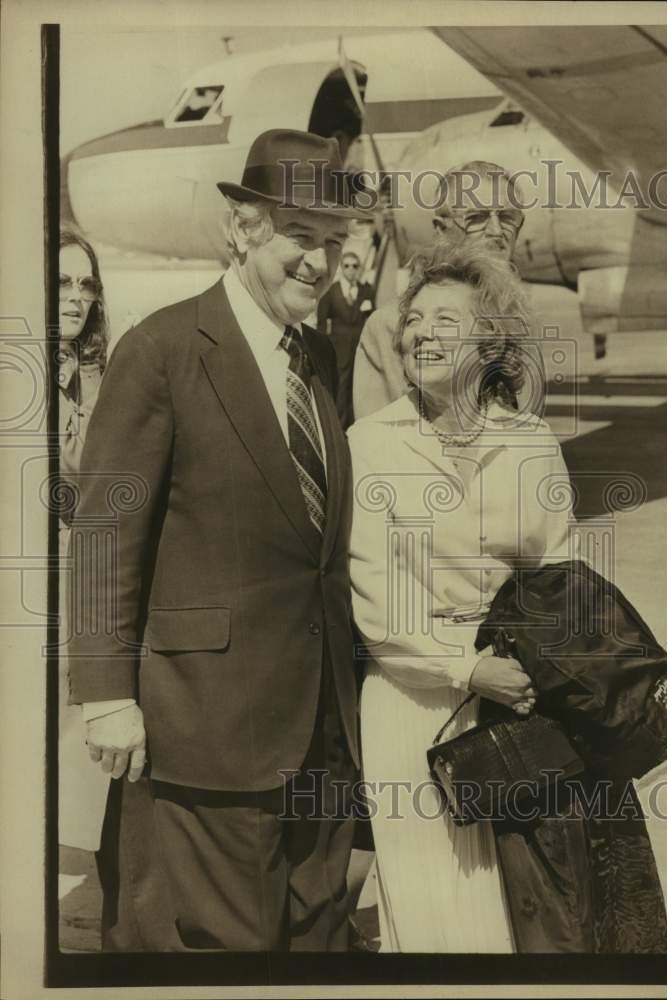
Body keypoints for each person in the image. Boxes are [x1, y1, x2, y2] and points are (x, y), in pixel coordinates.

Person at [67, 130, 369, 951]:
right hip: (205, 728)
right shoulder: (162, 350)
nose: (319, 262)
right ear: (243, 230)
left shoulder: (313, 356)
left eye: (334, 245)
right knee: (214, 948)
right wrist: (107, 697)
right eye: (300, 238)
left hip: (320, 727)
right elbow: (104, 530)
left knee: (314, 939)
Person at [348, 242, 564, 952]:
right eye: (413, 319)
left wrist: (533, 672)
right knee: (436, 916)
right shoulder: (368, 445)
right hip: (412, 703)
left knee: (525, 914)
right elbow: (374, 600)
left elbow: (561, 578)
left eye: (447, 318)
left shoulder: (532, 443)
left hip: (517, 706)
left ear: (489, 338)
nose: (422, 332)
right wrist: (466, 668)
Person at [352, 160, 543, 422]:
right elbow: (381, 445)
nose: (497, 231)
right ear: (442, 230)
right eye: (477, 218)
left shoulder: (517, 321)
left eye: (507, 217)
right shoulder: (391, 326)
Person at [57, 229, 113, 853]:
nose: (77, 298)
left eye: (87, 284)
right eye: (62, 282)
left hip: (69, 556)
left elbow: (92, 474)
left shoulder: (97, 370)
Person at [316, 250, 375, 428]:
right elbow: (321, 322)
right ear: (341, 268)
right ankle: (337, 427)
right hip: (338, 348)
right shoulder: (331, 291)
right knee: (340, 388)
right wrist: (322, 349)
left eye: (355, 266)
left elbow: (372, 319)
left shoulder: (366, 291)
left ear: (360, 269)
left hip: (358, 348)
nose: (351, 270)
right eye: (347, 266)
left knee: (357, 386)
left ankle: (354, 426)